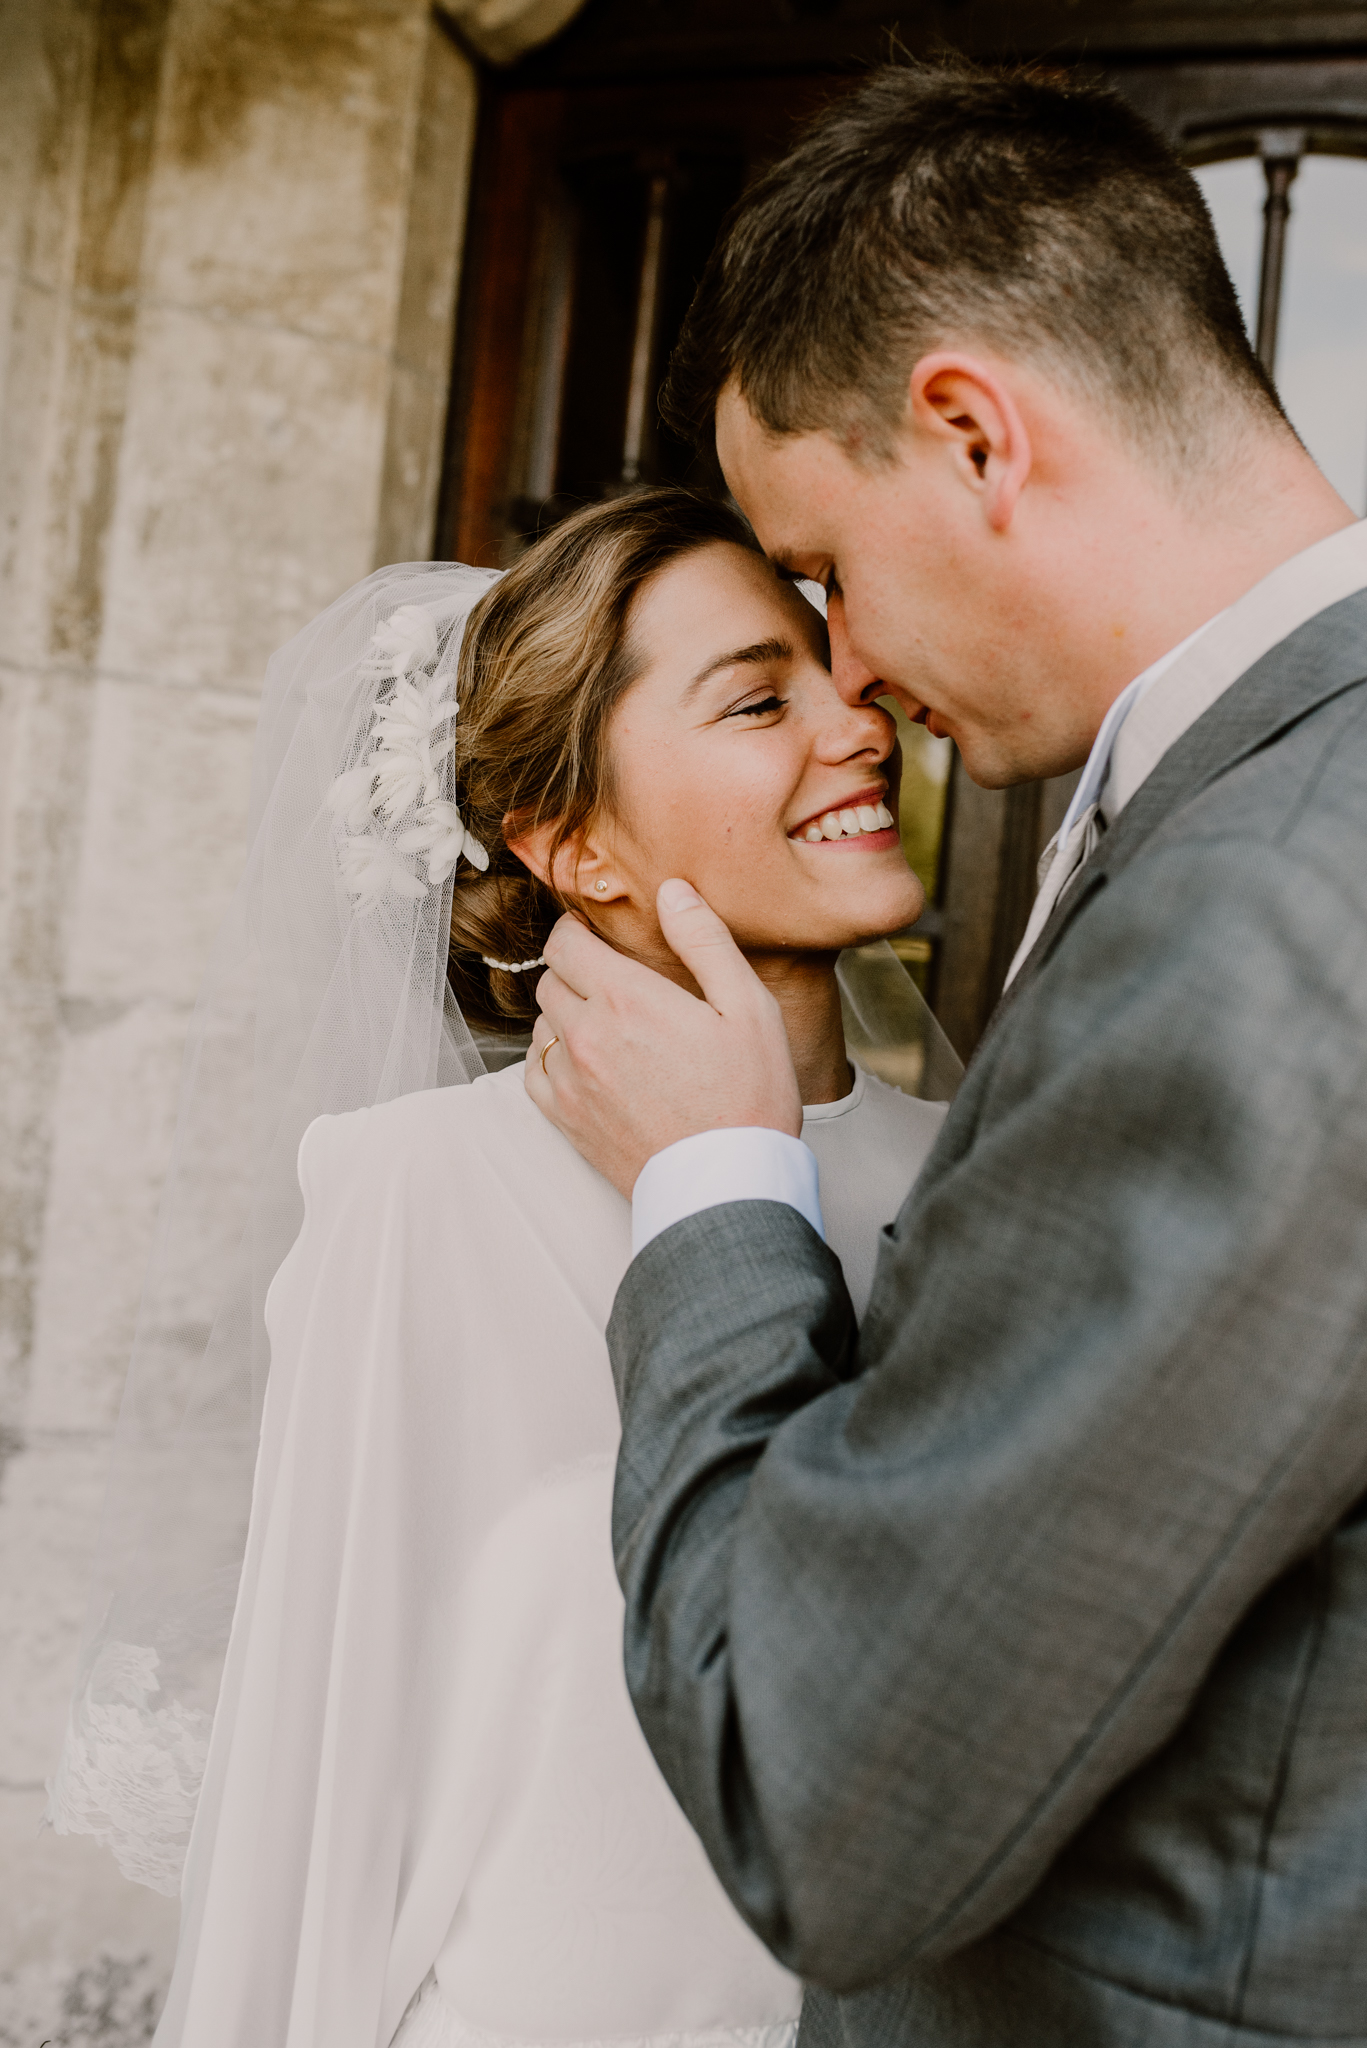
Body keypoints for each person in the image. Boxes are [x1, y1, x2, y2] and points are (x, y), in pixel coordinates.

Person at [528, 60, 1367, 2048]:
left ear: (978, 435)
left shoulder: (1273, 916)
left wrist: (717, 1184)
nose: (848, 681)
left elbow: (835, 1796)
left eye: (822, 571)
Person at [51, 488, 955, 2048]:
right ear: (573, 846)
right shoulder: (418, 1194)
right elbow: (316, 1793)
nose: (858, 723)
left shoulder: (976, 1170)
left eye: (833, 671)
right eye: (758, 698)